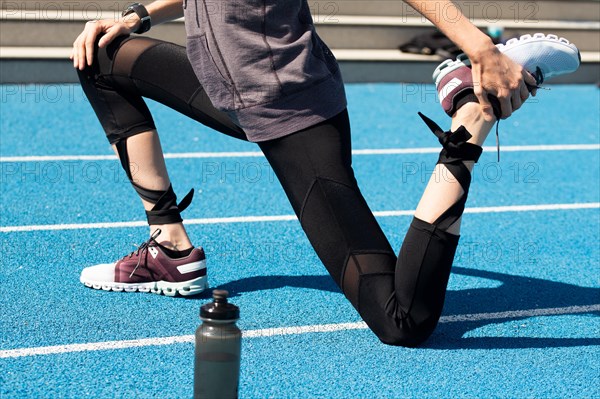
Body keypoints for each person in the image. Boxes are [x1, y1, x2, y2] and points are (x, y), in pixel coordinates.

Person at [72, 1, 579, 346]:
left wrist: (481, 48)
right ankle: (170, 251)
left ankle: (471, 108)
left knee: (403, 321)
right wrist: (139, 14)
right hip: (223, 90)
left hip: (292, 112)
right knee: (98, 56)